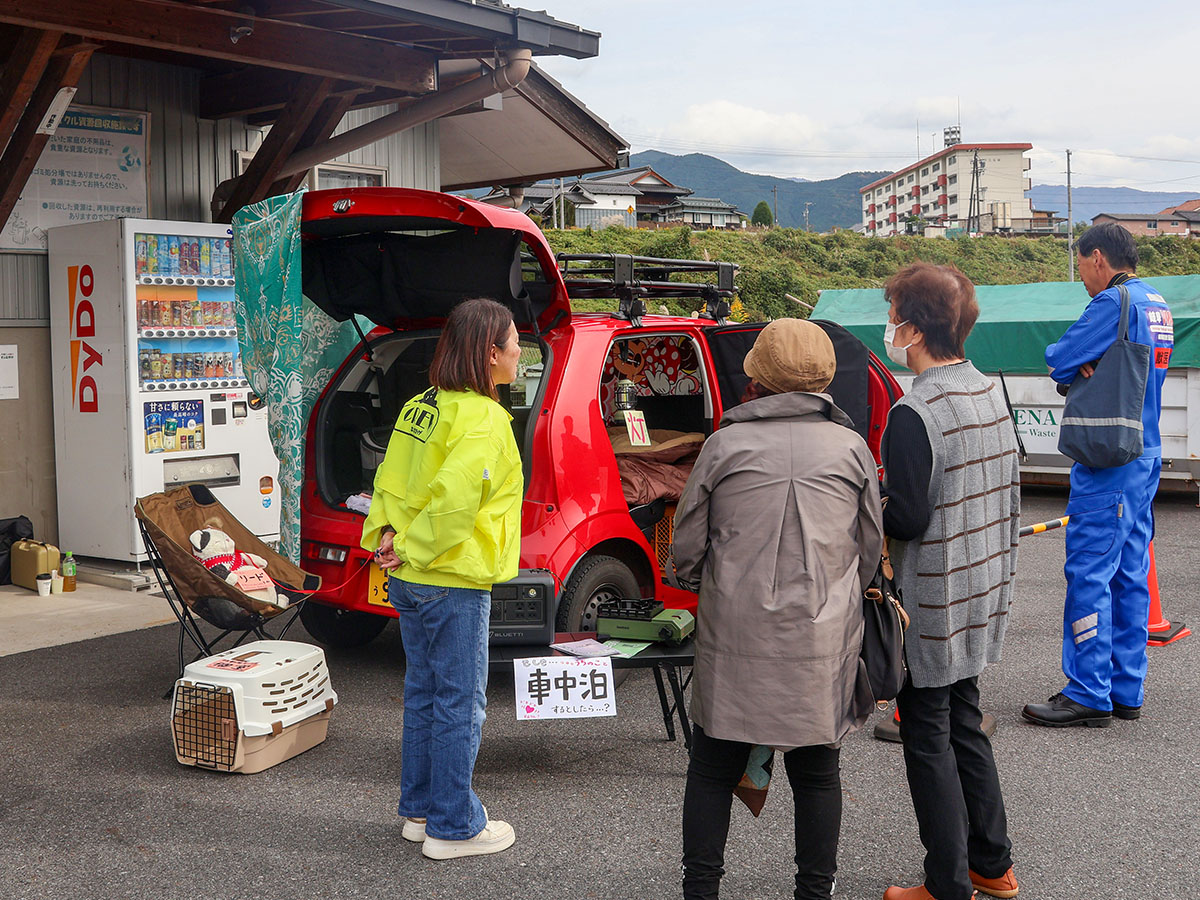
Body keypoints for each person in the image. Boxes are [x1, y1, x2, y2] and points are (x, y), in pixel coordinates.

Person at [671, 318, 883, 900]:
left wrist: (704, 581)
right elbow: (869, 552)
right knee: (817, 774)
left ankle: (701, 889)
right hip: (822, 641)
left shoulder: (724, 445)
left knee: (712, 767)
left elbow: (686, 550)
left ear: (757, 376)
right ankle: (815, 892)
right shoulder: (851, 448)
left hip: (734, 638)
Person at [360, 297, 524, 860]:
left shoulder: (421, 404)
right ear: (490, 352)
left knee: (425, 693)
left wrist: (387, 537)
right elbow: (455, 502)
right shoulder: (483, 416)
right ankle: (454, 826)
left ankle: (421, 810)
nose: (519, 351)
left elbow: (387, 476)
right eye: (513, 341)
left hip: (407, 572)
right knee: (461, 701)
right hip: (451, 574)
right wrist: (408, 545)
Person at [878, 263, 1020, 900]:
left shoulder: (915, 412)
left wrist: (865, 498)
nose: (890, 329)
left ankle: (947, 882)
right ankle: (992, 864)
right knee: (965, 722)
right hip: (981, 587)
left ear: (911, 328)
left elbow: (906, 517)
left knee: (927, 735)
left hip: (932, 600)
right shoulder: (992, 391)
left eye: (893, 317)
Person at [1023, 223, 1174, 728]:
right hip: (1146, 453)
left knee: (1089, 571)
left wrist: (1082, 362)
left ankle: (1088, 691)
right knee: (1130, 573)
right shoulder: (1156, 302)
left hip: (1108, 461)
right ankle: (1126, 688)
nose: (1084, 278)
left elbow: (1059, 358)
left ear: (1097, 259)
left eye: (1083, 267)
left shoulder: (1112, 303)